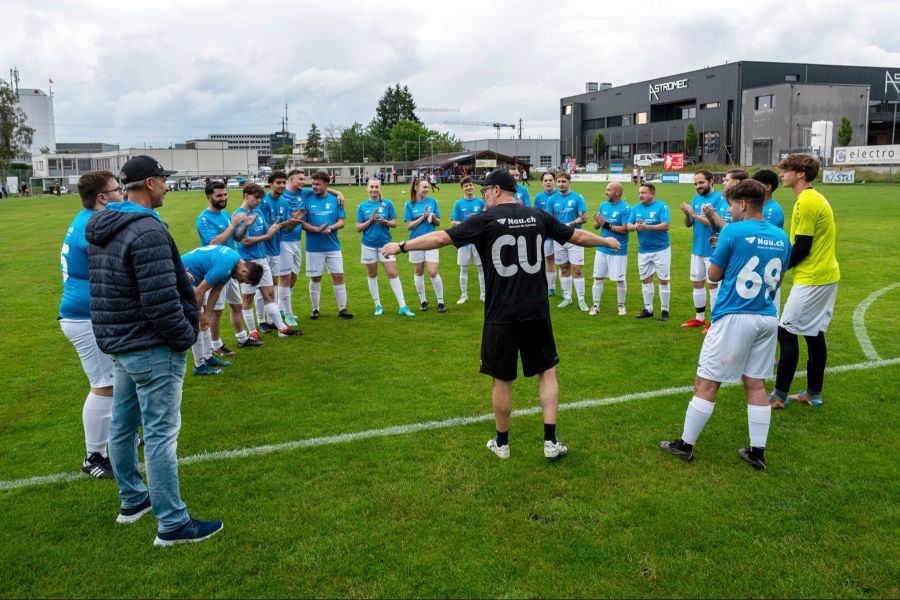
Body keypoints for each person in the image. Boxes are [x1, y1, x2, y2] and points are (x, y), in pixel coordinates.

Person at [382, 169, 620, 460]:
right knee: (546, 371)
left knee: (502, 378)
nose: (483, 196)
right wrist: (606, 241)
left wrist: (402, 246)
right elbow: (578, 236)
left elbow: (442, 238)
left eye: (485, 191)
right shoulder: (537, 215)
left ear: (496, 190)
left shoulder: (485, 219)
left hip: (501, 312)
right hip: (536, 309)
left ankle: (502, 443)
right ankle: (550, 441)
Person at [86, 155, 222, 546]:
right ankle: (173, 523)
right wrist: (184, 337)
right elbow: (160, 298)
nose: (167, 186)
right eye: (164, 180)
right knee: (161, 435)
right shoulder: (145, 229)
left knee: (123, 425)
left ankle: (132, 500)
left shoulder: (103, 225)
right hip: (149, 345)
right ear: (149, 183)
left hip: (124, 343)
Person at [660, 179, 791, 471]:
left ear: (743, 204)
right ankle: (757, 452)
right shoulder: (782, 237)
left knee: (706, 383)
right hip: (767, 316)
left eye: (731, 204)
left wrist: (726, 254)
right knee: (755, 383)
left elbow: (714, 276)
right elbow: (779, 278)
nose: (729, 209)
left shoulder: (732, 230)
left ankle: (685, 444)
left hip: (734, 315)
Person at [59, 170, 123, 479]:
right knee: (103, 384)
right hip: (83, 316)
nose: (121, 193)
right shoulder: (94, 224)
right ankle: (94, 456)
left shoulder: (85, 218)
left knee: (115, 379)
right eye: (116, 189)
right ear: (102, 197)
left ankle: (117, 434)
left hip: (85, 313)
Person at [769, 154, 840, 409]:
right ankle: (813, 393)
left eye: (786, 170)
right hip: (825, 276)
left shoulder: (807, 202)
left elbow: (802, 247)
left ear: (801, 173)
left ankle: (778, 396)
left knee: (786, 331)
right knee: (813, 333)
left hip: (813, 278)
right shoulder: (813, 198)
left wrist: (778, 267)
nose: (782, 174)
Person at [196, 180, 259, 352]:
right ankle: (216, 346)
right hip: (215, 268)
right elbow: (213, 242)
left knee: (237, 305)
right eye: (219, 195)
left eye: (225, 194)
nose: (223, 198)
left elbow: (236, 238)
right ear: (209, 197)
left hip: (232, 268)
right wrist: (232, 225)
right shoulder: (203, 219)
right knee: (217, 311)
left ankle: (242, 338)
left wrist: (244, 225)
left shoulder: (225, 215)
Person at [233, 183, 303, 337]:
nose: (258, 201)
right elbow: (243, 241)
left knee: (269, 294)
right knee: (248, 298)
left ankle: (282, 329)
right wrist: (267, 236)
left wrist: (289, 222)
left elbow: (267, 229)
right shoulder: (238, 215)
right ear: (246, 195)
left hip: (262, 259)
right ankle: (252, 331)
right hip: (247, 263)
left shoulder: (258, 212)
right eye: (256, 197)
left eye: (260, 198)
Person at [182, 245, 264, 375]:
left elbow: (217, 289)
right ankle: (199, 367)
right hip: (185, 279)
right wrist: (198, 315)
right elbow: (200, 291)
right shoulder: (226, 266)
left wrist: (208, 314)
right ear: (244, 271)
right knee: (198, 323)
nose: (240, 282)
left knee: (206, 322)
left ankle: (208, 358)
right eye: (243, 280)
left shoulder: (233, 263)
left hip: (196, 281)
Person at [277, 170, 343, 324]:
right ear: (290, 179)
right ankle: (286, 313)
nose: (303, 181)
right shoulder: (281, 196)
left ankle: (281, 307)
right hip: (283, 241)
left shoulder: (303, 194)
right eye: (300, 179)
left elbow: (323, 188)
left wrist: (339, 193)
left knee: (293, 276)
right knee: (284, 278)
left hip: (297, 241)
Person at [355, 177, 415, 316]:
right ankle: (377, 305)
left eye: (377, 187)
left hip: (386, 245)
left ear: (380, 189)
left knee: (393, 273)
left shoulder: (387, 204)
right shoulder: (362, 206)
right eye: (372, 187)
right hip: (368, 245)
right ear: (367, 189)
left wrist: (385, 222)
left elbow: (395, 223)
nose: (374, 189)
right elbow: (358, 228)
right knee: (372, 274)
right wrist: (370, 220)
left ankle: (403, 306)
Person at [678, 170, 726, 331]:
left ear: (711, 181)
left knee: (713, 285)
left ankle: (714, 321)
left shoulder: (719, 199)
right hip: (697, 249)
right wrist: (687, 215)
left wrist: (694, 214)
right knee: (697, 283)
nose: (698, 186)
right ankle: (699, 318)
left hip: (713, 250)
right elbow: (688, 224)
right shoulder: (696, 198)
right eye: (696, 184)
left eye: (701, 183)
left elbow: (718, 223)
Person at [301, 171, 352, 319]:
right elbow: (301, 223)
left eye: (318, 184)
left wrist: (331, 227)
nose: (314, 186)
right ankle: (315, 309)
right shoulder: (307, 198)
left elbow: (342, 222)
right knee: (315, 278)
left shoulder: (336, 200)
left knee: (338, 275)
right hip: (313, 247)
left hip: (333, 246)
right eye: (313, 184)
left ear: (326, 185)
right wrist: (315, 229)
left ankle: (342, 309)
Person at [627, 182, 671, 321]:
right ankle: (648, 309)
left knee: (663, 280)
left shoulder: (662, 206)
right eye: (639, 193)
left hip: (661, 249)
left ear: (652, 193)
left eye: (644, 193)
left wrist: (647, 227)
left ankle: (664, 310)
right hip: (643, 250)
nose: (640, 195)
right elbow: (628, 225)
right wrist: (635, 227)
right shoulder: (636, 208)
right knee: (645, 280)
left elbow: (666, 225)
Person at [547, 172, 588, 310]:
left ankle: (581, 300)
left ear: (569, 182)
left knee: (577, 269)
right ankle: (567, 297)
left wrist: (569, 225)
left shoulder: (577, 197)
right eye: (558, 182)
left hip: (575, 238)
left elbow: (583, 218)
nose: (560, 184)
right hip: (558, 239)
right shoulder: (552, 199)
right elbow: (549, 219)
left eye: (563, 181)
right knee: (564, 268)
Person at [404, 177, 446, 312]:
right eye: (424, 187)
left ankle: (441, 302)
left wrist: (432, 217)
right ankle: (423, 301)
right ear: (416, 188)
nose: (427, 190)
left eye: (428, 187)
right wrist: (422, 217)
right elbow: (408, 226)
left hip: (431, 240)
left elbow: (438, 223)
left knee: (433, 272)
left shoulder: (433, 202)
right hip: (415, 242)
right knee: (419, 271)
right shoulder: (409, 205)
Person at [590, 182, 630, 316]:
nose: (605, 192)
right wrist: (597, 221)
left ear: (617, 193)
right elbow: (596, 227)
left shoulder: (625, 208)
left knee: (620, 279)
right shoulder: (603, 205)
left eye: (608, 190)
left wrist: (605, 224)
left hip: (618, 249)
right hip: (602, 247)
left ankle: (621, 306)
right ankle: (595, 305)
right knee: (598, 277)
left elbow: (624, 230)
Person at [752, 169, 786, 313]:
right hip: (757, 265)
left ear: (768, 187)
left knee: (769, 308)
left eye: (756, 184)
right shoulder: (760, 207)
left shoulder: (773, 209)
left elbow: (765, 238)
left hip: (768, 266)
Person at [450, 176, 486, 304]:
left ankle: (483, 294)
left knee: (481, 268)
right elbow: (453, 222)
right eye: (466, 186)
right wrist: (466, 227)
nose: (469, 187)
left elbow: (486, 219)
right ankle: (464, 295)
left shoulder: (481, 202)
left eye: (470, 185)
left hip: (478, 241)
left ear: (473, 186)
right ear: (462, 189)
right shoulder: (458, 204)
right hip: (464, 241)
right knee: (463, 268)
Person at [533, 171, 559, 296]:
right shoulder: (539, 197)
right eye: (546, 180)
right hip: (546, 234)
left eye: (550, 180)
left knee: (563, 262)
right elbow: (536, 215)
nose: (548, 182)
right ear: (542, 182)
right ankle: (551, 287)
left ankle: (566, 290)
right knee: (549, 259)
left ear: (554, 181)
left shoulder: (560, 194)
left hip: (559, 233)